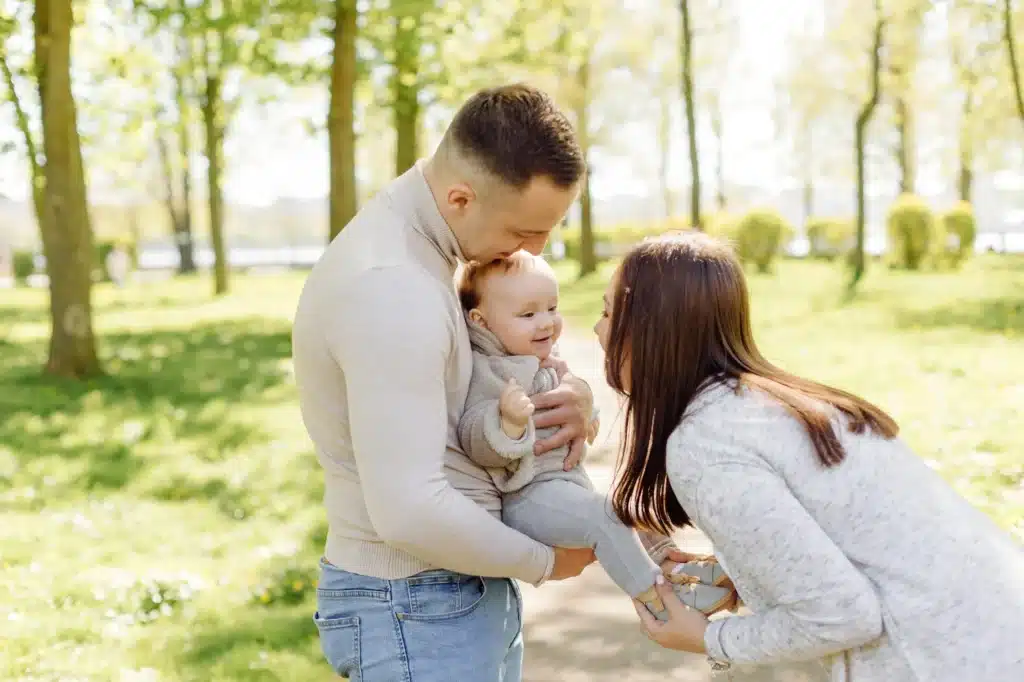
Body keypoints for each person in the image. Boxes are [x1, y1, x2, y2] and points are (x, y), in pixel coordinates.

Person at [294, 84, 624, 681]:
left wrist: (575, 403)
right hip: (415, 605)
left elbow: (483, 384)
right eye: (524, 232)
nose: (535, 250)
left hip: (443, 598)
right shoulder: (392, 285)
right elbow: (409, 510)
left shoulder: (431, 256)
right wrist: (548, 562)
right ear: (460, 197)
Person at [592, 232, 1024, 681]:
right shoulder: (765, 406)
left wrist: (708, 639)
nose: (597, 329)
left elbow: (843, 616)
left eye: (607, 312)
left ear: (650, 331)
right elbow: (852, 541)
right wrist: (741, 571)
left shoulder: (705, 445)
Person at [456, 251, 738, 618]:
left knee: (629, 514)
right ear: (482, 321)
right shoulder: (490, 372)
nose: (546, 324)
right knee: (604, 517)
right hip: (526, 498)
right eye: (528, 314)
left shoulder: (543, 359)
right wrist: (507, 422)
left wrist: (587, 413)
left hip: (566, 486)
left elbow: (578, 412)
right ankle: (660, 602)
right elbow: (474, 437)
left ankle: (681, 570)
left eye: (552, 308)